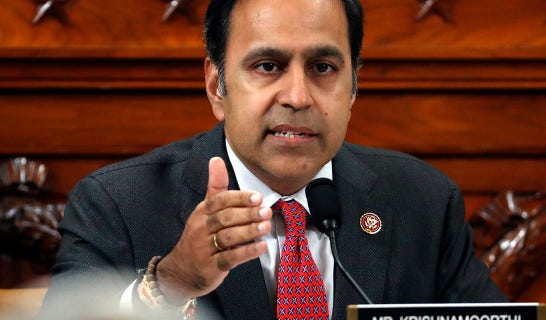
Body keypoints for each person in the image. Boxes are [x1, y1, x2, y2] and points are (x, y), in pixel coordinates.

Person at [38, 0, 506, 319]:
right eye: (268, 67)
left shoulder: (422, 200)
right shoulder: (117, 204)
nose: (298, 96)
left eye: (323, 68)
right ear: (216, 85)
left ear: (353, 88)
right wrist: (173, 281)